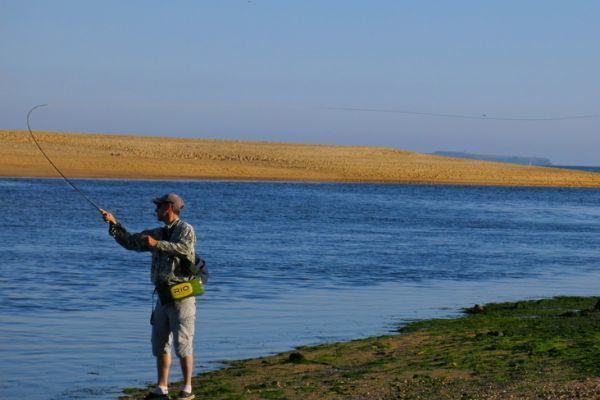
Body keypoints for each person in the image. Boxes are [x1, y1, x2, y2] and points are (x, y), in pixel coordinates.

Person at [101, 193, 197, 400]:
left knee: (183, 343)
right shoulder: (158, 232)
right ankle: (162, 388)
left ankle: (187, 389)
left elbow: (185, 250)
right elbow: (131, 242)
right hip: (162, 296)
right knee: (159, 343)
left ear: (169, 208)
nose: (155, 210)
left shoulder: (185, 229)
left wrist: (156, 244)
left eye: (158, 206)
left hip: (183, 295)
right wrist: (114, 224)